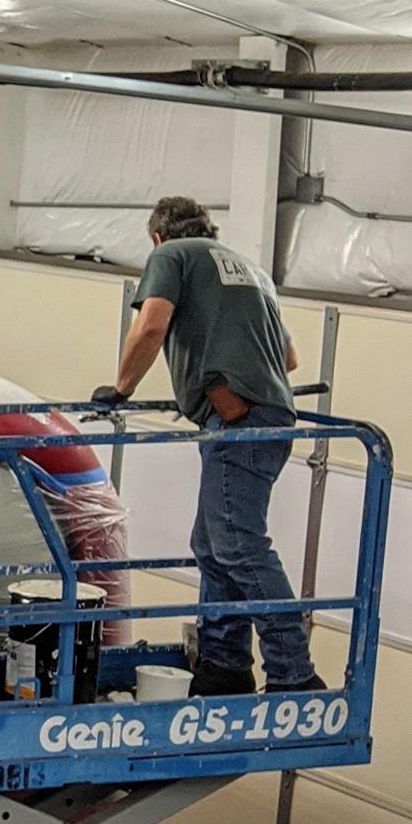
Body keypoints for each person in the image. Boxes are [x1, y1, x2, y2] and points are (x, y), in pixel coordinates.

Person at [90, 196, 320, 696]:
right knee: (214, 544)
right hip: (269, 416)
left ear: (157, 237)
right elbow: (290, 358)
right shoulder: (250, 269)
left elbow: (152, 325)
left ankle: (294, 672)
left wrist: (121, 388)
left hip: (239, 420)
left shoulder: (171, 255)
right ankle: (224, 664)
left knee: (237, 542)